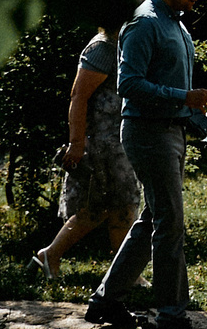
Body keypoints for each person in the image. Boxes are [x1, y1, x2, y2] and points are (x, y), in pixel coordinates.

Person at [85, 0, 207, 329]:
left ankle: (105, 301)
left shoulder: (177, 27)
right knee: (170, 223)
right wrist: (186, 98)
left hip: (171, 133)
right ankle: (171, 317)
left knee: (154, 220)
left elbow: (180, 92)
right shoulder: (144, 22)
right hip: (147, 133)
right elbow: (128, 84)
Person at [32, 16, 142, 283]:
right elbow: (78, 96)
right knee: (99, 209)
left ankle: (124, 274)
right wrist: (77, 144)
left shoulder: (124, 46)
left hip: (119, 143)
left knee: (121, 207)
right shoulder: (103, 48)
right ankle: (51, 255)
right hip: (101, 144)